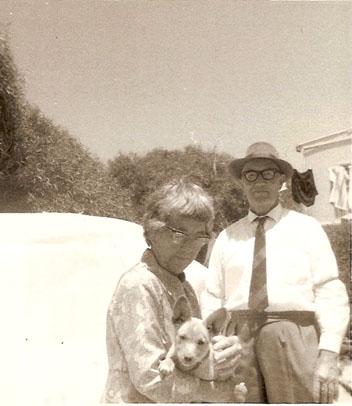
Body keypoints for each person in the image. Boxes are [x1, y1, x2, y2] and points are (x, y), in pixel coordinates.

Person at [201, 142, 349, 403]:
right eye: (251, 175)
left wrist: (328, 351)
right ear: (242, 182)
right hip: (238, 341)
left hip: (293, 336)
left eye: (268, 173)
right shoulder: (227, 236)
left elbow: (330, 291)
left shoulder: (307, 228)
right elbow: (212, 296)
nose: (260, 182)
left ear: (281, 180)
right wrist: (212, 343)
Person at [102, 180, 242, 403]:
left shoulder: (184, 288)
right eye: (179, 233)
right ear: (153, 231)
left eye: (199, 236)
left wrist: (223, 355)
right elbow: (150, 376)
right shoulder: (139, 285)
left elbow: (189, 358)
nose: (189, 246)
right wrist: (218, 393)